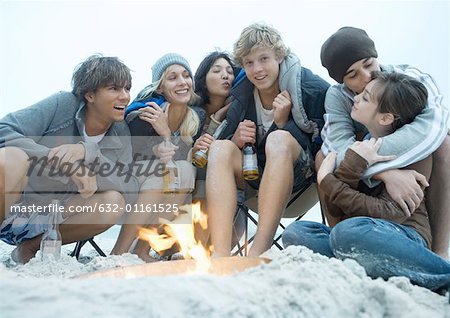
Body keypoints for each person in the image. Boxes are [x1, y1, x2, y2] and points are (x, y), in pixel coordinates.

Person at [283, 71, 450, 292]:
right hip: (363, 234)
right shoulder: (360, 145)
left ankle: (442, 274)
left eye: (366, 97)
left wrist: (327, 181)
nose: (356, 98)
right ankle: (372, 267)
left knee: (347, 232)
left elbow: (388, 213)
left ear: (385, 118)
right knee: (297, 232)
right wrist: (354, 167)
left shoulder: (415, 153)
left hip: (404, 235)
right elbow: (335, 206)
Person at [317, 26, 450, 259]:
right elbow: (336, 148)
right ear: (342, 80)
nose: (367, 76)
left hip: (411, 185)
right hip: (366, 191)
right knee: (322, 158)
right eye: (352, 74)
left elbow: (431, 129)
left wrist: (370, 158)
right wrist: (385, 174)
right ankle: (341, 239)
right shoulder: (338, 96)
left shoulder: (410, 77)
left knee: (444, 146)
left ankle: (439, 254)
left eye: (368, 64)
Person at [205, 22, 330, 257]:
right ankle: (220, 255)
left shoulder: (311, 87)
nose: (257, 70)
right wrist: (235, 139)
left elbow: (327, 143)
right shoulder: (241, 93)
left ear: (280, 56)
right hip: (255, 182)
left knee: (279, 139)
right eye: (249, 63)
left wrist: (285, 125)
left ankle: (258, 252)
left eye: (264, 59)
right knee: (221, 148)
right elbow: (221, 142)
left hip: (302, 185)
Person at [0, 54, 139, 263]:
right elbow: (4, 129)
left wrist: (89, 152)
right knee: (11, 157)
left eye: (127, 88)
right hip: (15, 206)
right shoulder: (62, 104)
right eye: (114, 88)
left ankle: (28, 248)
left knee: (114, 201)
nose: (125, 96)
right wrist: (60, 161)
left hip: (56, 217)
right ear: (90, 95)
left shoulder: (121, 131)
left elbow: (130, 185)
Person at [110, 53, 206, 262]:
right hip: (124, 181)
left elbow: (179, 157)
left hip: (161, 184)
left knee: (185, 171)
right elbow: (126, 155)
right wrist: (160, 138)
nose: (182, 82)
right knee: (163, 174)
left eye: (186, 75)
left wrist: (168, 138)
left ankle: (141, 249)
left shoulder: (195, 116)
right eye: (173, 78)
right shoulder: (147, 113)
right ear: (160, 87)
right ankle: (119, 252)